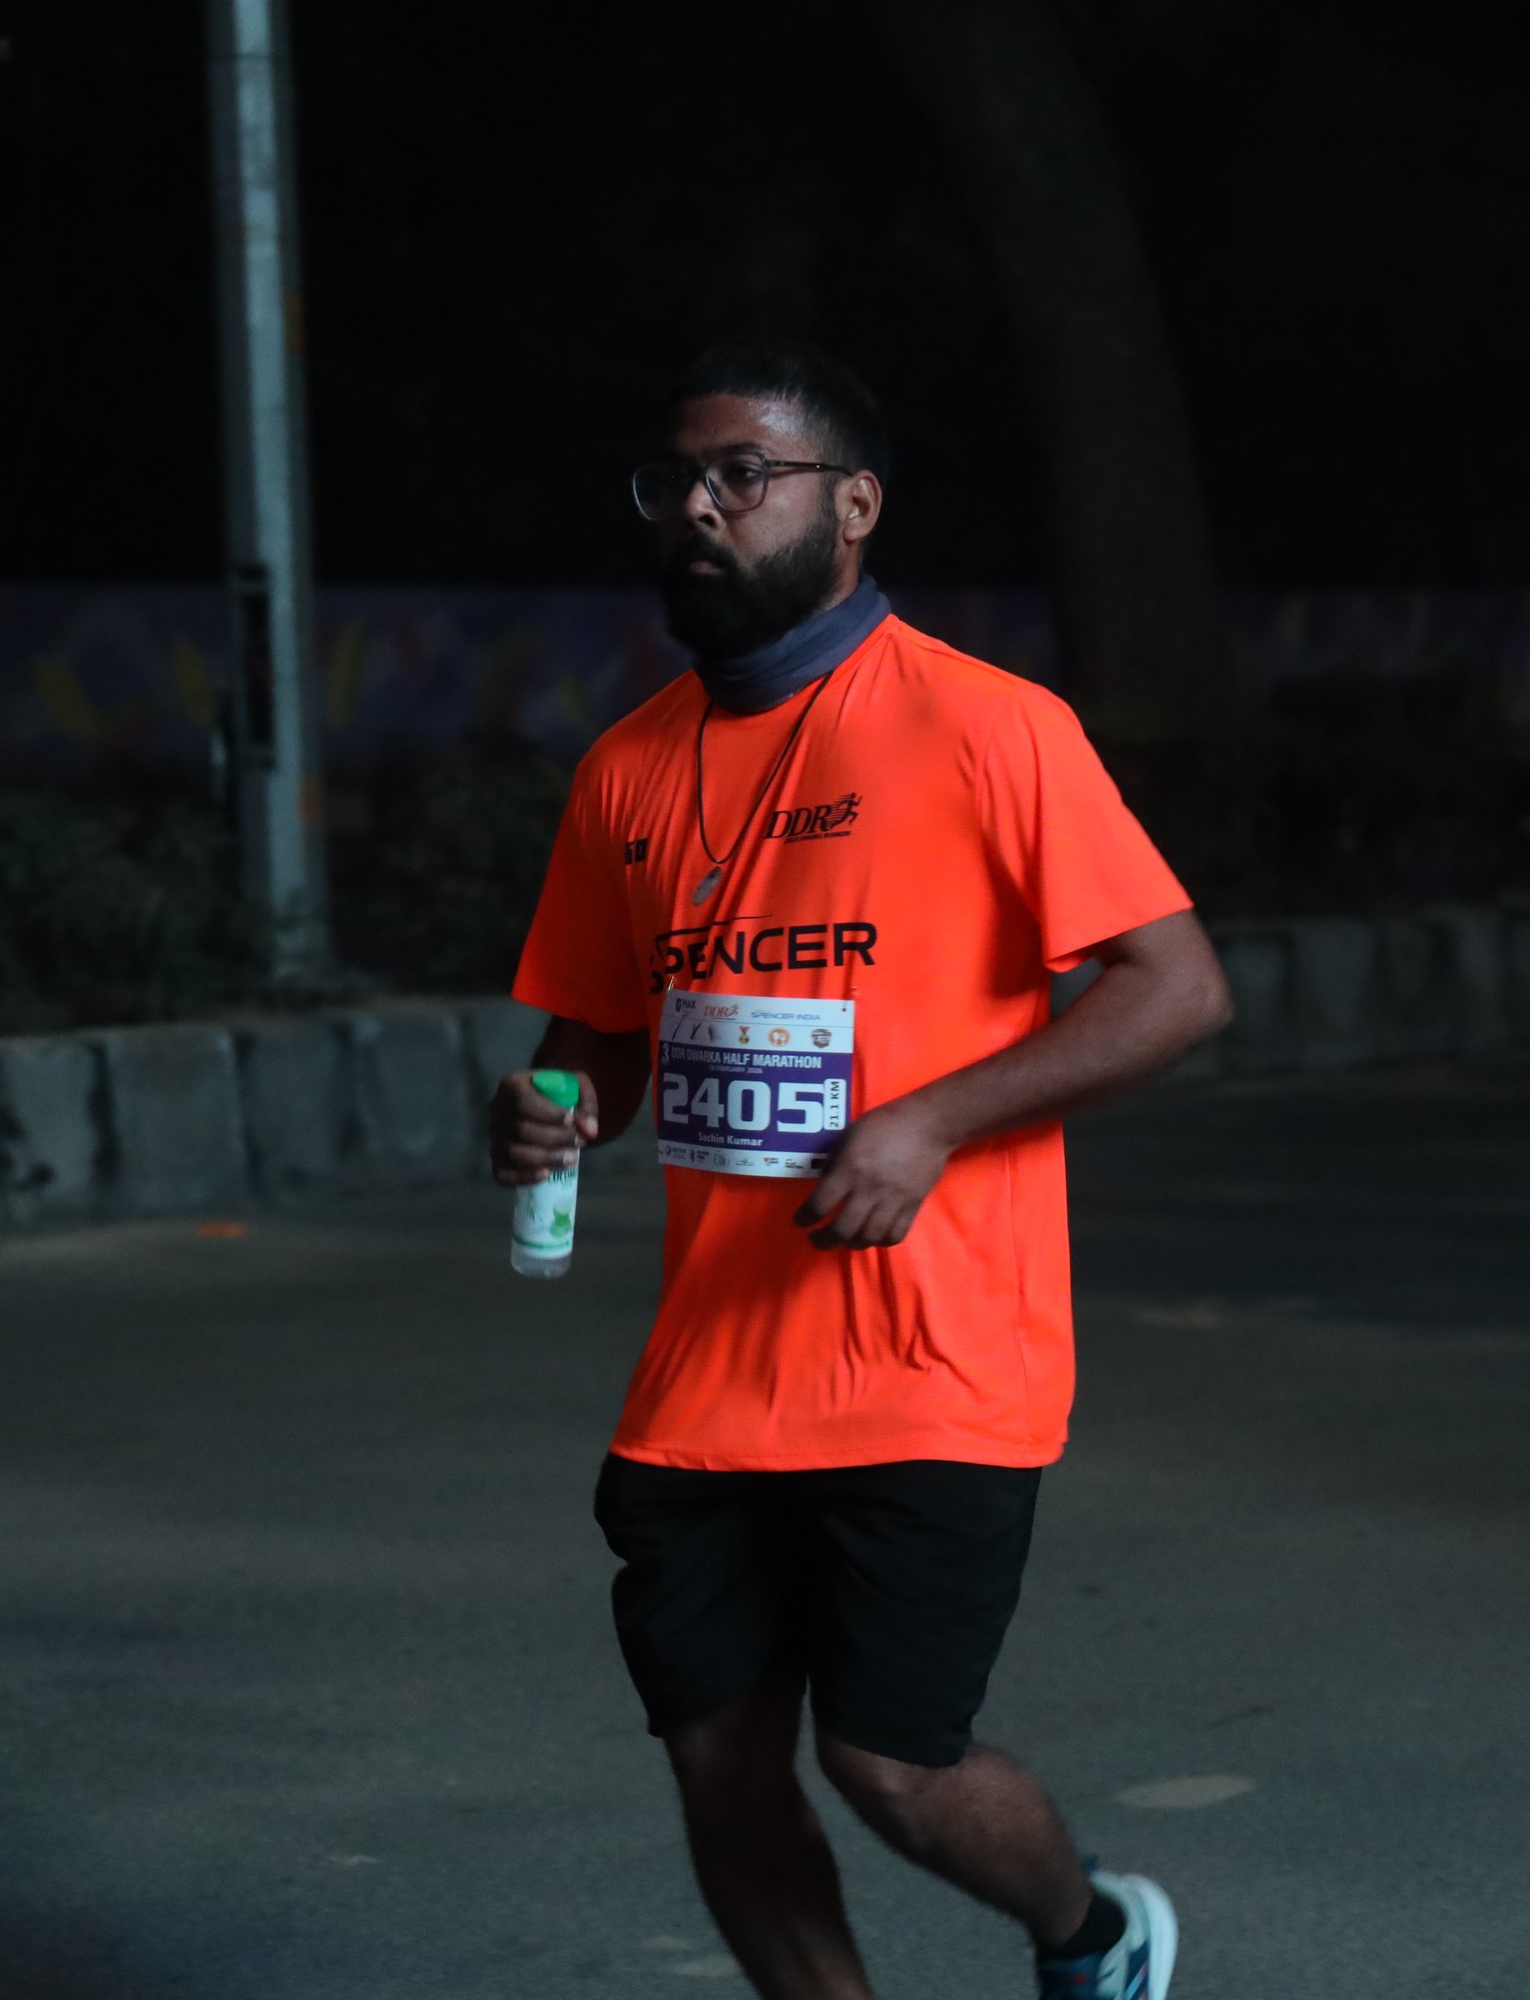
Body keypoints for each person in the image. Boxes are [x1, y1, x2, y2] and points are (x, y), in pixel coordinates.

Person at [489, 340, 1233, 2000]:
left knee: (889, 1763)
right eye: (677, 479)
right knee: (719, 1766)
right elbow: (592, 1041)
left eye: (744, 474)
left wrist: (932, 1122)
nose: (699, 506)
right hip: (706, 1374)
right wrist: (546, 1110)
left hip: (930, 1359)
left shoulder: (988, 726)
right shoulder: (626, 769)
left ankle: (1094, 1931)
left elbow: (1177, 987)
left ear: (855, 506)